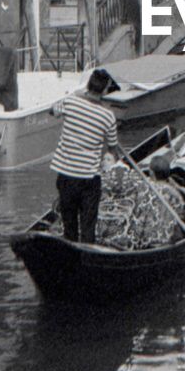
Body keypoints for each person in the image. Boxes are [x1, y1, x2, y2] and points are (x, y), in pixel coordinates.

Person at [50, 67, 118, 243]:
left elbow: (52, 110)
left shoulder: (71, 102)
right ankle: (87, 255)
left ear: (88, 85)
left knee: (69, 225)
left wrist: (78, 97)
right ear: (104, 90)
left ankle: (70, 256)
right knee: (88, 226)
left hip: (65, 175)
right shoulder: (108, 116)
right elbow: (112, 148)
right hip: (88, 179)